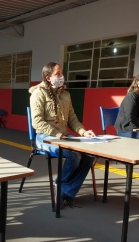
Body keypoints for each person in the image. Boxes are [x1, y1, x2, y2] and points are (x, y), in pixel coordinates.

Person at [29, 62, 95, 207]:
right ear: (48, 78)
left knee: (90, 154)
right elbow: (37, 122)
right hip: (44, 137)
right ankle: (61, 188)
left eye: (61, 73)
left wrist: (83, 132)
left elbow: (72, 119)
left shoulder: (66, 94)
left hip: (63, 136)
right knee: (73, 155)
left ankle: (67, 191)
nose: (61, 76)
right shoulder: (38, 93)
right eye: (57, 74)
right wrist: (57, 134)